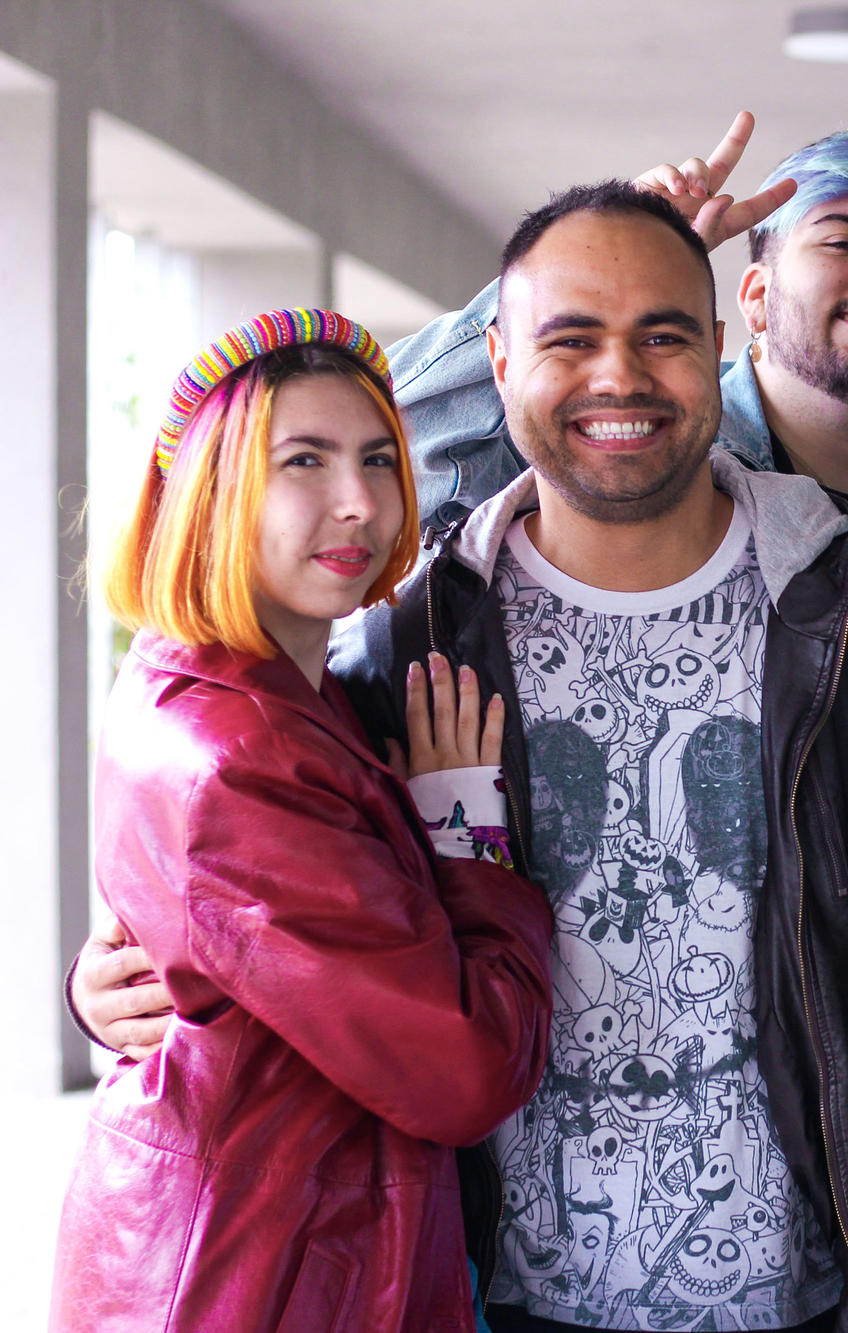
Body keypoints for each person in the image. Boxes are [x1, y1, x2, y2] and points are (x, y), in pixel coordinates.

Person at [79, 182, 848, 1333]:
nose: (617, 377)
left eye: (662, 336)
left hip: (806, 1296)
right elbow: (298, 912)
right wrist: (130, 983)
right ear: (497, 356)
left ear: (720, 348)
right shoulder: (407, 638)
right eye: (569, 338)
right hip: (487, 1294)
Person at [51, 309, 555, 1331]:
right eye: (304, 461)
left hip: (237, 1237)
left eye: (377, 456)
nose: (359, 502)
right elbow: (462, 1067)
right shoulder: (240, 754)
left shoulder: (224, 674)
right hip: (264, 1274)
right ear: (215, 486)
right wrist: (466, 829)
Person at [394, 113, 848, 589]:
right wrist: (595, 252)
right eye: (844, 242)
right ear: (751, 296)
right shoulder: (645, 439)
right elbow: (395, 443)